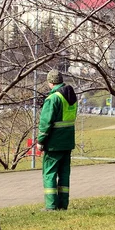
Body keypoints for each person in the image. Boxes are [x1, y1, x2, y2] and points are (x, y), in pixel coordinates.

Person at [37, 69, 78, 211]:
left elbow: (45, 123)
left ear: (50, 82)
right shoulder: (72, 97)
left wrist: (40, 141)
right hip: (68, 142)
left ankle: (51, 205)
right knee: (64, 174)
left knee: (49, 174)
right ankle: (63, 204)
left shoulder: (53, 99)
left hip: (54, 144)